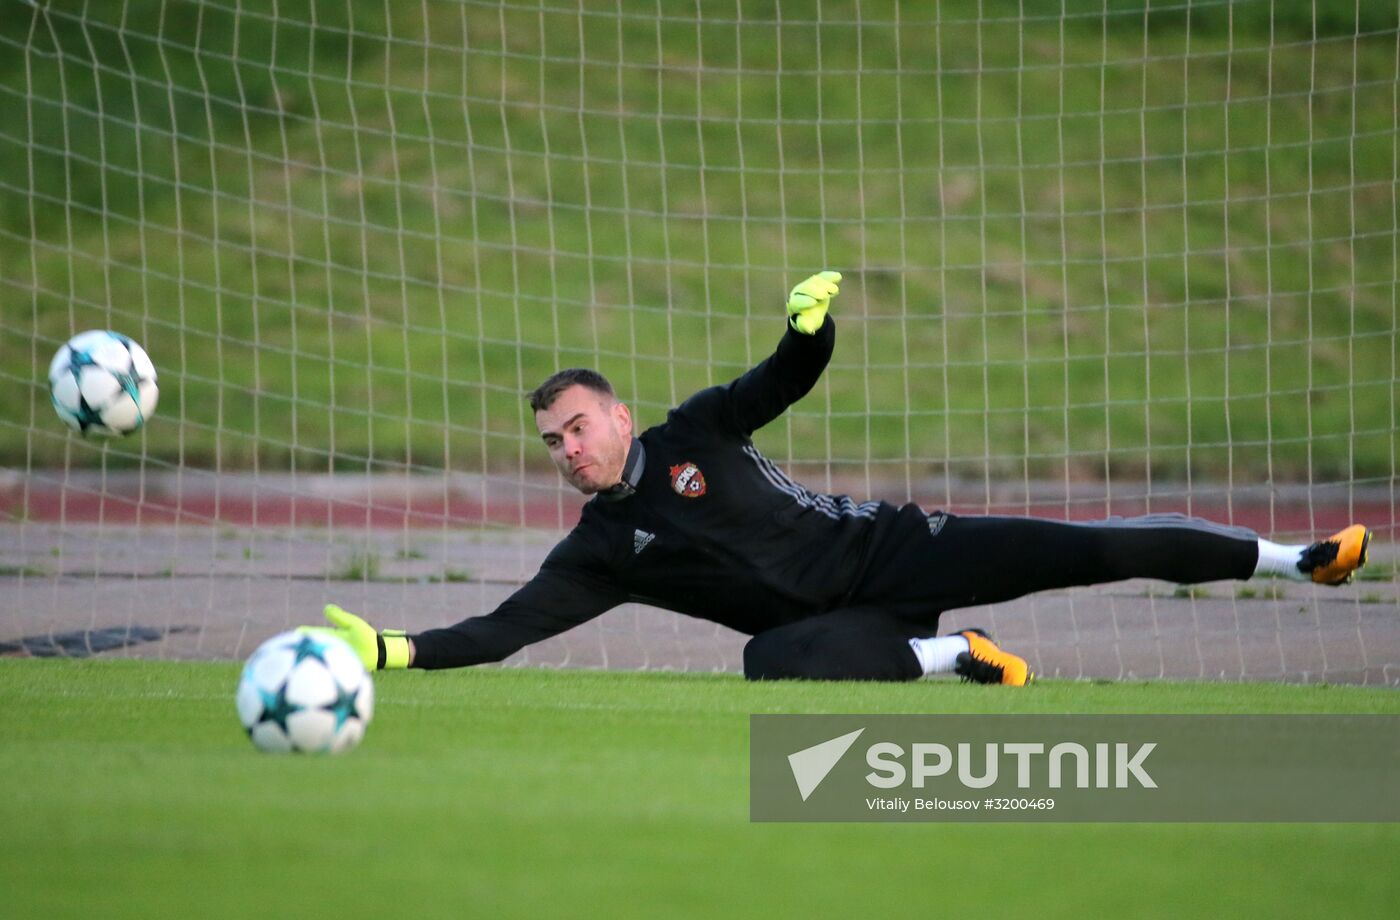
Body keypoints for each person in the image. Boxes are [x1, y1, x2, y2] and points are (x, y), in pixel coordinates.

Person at [310, 271, 1373, 686]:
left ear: (618, 415)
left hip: (893, 546)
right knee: (767, 663)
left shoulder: (699, 429)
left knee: (1084, 545)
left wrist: (805, 327)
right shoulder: (597, 549)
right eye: (552, 442)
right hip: (843, 629)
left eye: (576, 426)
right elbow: (503, 629)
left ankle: (1296, 558)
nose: (567, 448)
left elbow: (785, 374)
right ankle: (951, 654)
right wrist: (390, 648)